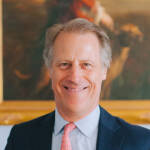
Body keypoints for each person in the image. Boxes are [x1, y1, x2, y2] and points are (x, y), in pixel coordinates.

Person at [5, 18, 150, 150]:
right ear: (50, 70)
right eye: (64, 64)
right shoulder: (20, 138)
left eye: (86, 64)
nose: (74, 77)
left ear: (104, 70)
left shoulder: (140, 142)